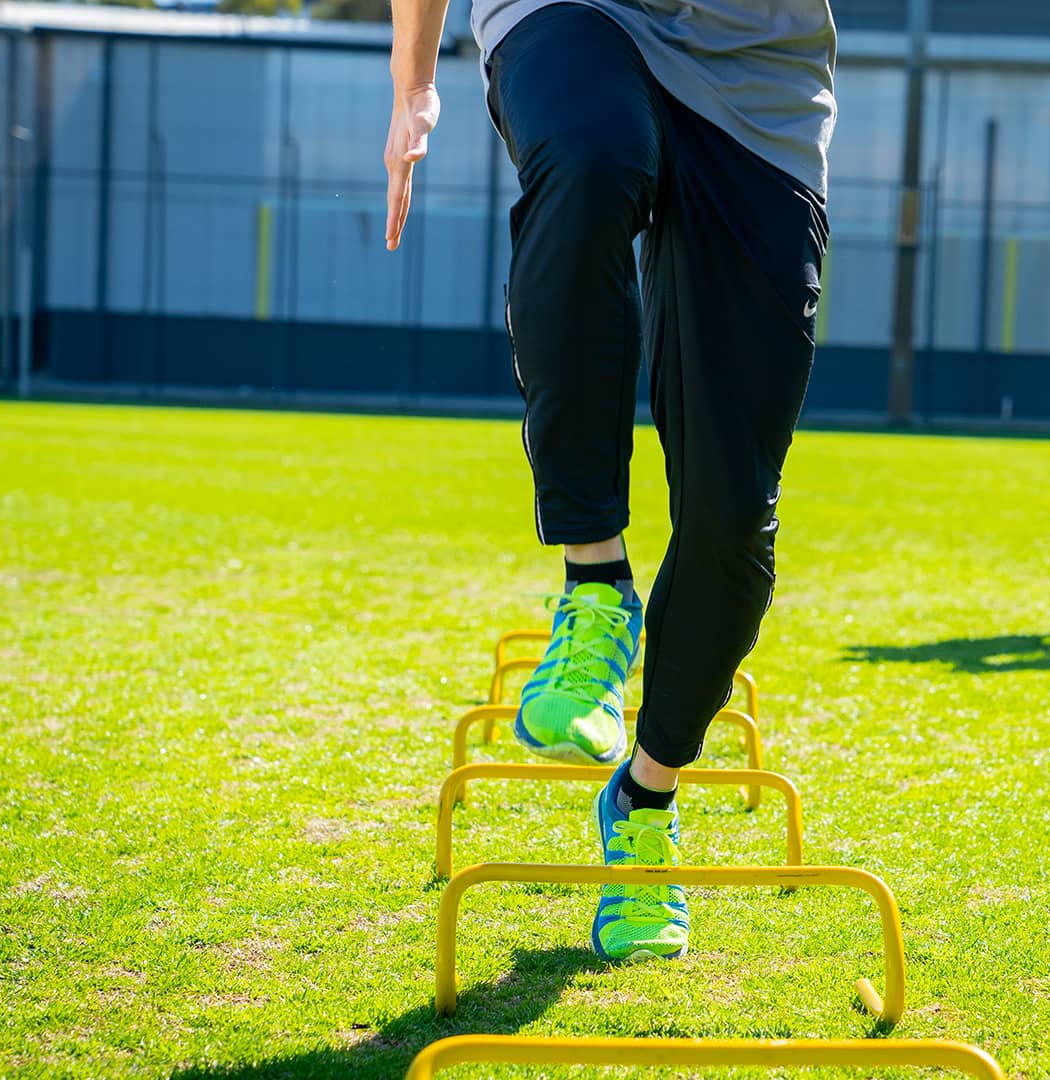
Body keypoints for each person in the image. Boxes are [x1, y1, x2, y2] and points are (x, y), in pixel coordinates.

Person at [383, 0, 835, 960]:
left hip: (759, 75)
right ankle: (596, 584)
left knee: (731, 515)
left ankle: (645, 795)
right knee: (591, 155)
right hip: (576, 15)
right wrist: (415, 82)